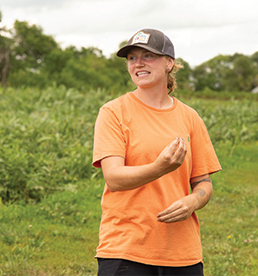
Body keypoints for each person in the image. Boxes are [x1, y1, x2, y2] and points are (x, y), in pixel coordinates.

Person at [91, 28, 221, 276]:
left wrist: (193, 201)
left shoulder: (190, 118)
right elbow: (114, 178)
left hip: (182, 253)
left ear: (169, 63)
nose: (138, 63)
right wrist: (160, 167)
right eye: (132, 58)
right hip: (125, 249)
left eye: (148, 56)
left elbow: (204, 182)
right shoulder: (113, 112)